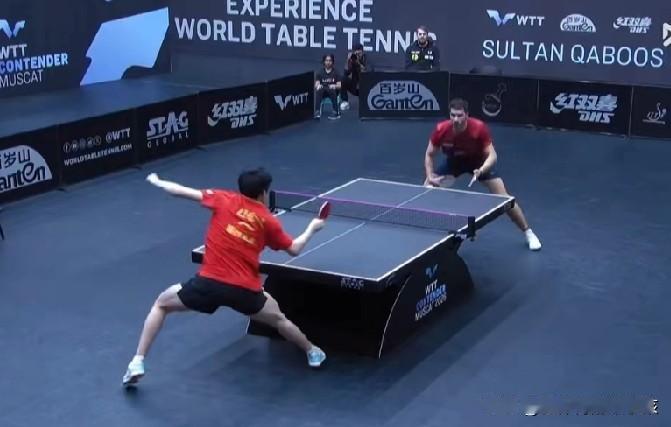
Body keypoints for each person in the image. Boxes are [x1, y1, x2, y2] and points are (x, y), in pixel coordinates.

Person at [122, 168, 328, 387]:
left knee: (161, 305)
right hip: (245, 291)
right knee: (279, 320)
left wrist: (158, 181)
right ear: (263, 193)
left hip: (208, 285)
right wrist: (313, 227)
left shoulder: (223, 199)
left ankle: (138, 361)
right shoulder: (269, 221)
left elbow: (179, 191)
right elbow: (294, 249)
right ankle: (312, 352)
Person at [423, 98, 542, 251]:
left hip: (478, 162)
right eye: (453, 115)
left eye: (459, 115)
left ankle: (528, 232)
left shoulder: (478, 128)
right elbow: (429, 154)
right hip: (454, 162)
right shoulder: (441, 129)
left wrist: (482, 169)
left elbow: (493, 155)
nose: (456, 119)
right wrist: (430, 175)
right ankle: (425, 232)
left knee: (504, 198)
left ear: (467, 115)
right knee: (426, 189)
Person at [340, 42, 371, 111]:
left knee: (364, 108)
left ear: (362, 51)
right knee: (343, 79)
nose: (357, 54)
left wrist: (358, 63)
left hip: (365, 88)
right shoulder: (352, 59)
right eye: (355, 52)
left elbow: (368, 74)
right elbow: (346, 73)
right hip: (354, 87)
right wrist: (348, 61)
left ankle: (365, 102)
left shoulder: (367, 59)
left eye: (359, 52)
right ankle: (345, 102)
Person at [314, 54, 342, 120]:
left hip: (333, 91)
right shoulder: (320, 72)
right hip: (323, 91)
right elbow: (316, 84)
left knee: (331, 89)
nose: (328, 62)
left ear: (332, 62)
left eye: (330, 60)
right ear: (324, 61)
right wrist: (318, 86)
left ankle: (336, 112)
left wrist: (334, 86)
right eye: (326, 60)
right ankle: (317, 112)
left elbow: (339, 85)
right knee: (318, 90)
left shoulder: (336, 72)